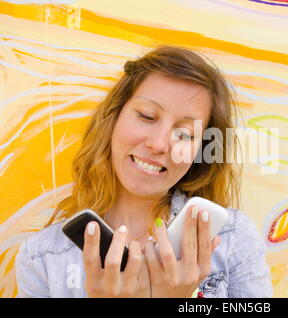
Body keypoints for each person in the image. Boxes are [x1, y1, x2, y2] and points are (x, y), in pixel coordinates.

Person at [15, 45, 273, 298]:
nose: (159, 144)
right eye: (147, 116)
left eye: (184, 134)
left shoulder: (232, 239)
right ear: (114, 116)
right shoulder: (42, 259)